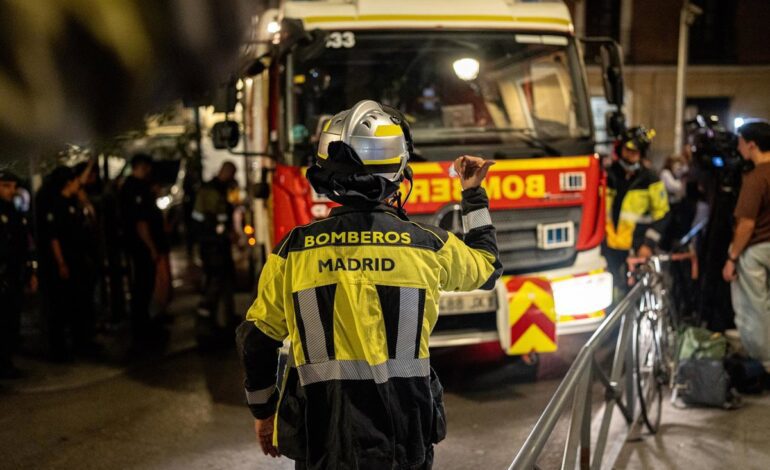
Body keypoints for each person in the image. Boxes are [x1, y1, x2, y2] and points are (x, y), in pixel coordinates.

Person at [236, 100, 502, 469]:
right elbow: (488, 267)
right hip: (405, 432)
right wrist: (472, 193)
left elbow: (257, 341)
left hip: (321, 436)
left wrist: (264, 412)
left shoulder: (292, 252)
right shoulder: (429, 245)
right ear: (398, 174)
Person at [722, 120, 770, 371]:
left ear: (752, 145)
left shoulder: (756, 177)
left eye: (740, 142)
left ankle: (763, 364)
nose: (738, 147)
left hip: (757, 249)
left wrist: (732, 257)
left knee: (755, 309)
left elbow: (746, 224)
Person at [37, 166, 97, 359]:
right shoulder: (56, 205)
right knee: (61, 305)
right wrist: (61, 263)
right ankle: (60, 348)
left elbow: (90, 220)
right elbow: (53, 237)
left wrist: (84, 201)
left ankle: (82, 342)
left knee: (79, 303)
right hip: (65, 261)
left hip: (78, 260)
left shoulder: (72, 202)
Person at [603, 126, 670, 297]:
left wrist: (648, 245)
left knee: (633, 295)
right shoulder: (607, 176)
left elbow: (662, 215)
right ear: (620, 149)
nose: (631, 155)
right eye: (628, 150)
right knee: (608, 293)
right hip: (607, 247)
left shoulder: (650, 179)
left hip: (635, 248)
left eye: (636, 152)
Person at [119, 154, 169, 350]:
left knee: (144, 288)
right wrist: (151, 248)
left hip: (140, 246)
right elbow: (141, 223)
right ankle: (141, 331)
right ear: (142, 167)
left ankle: (144, 327)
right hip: (141, 248)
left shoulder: (134, 187)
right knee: (142, 288)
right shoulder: (135, 188)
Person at [193, 161, 238, 343]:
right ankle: (205, 323)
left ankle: (225, 321)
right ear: (225, 172)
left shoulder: (219, 188)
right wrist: (226, 232)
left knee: (225, 279)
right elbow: (212, 219)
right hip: (212, 245)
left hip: (217, 244)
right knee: (215, 281)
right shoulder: (211, 191)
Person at [0, 170, 36, 378]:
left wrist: (30, 270)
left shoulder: (15, 211)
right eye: (5, 186)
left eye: (13, 186)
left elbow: (25, 244)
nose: (10, 191)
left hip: (14, 274)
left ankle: (7, 362)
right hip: (3, 275)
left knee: (12, 320)